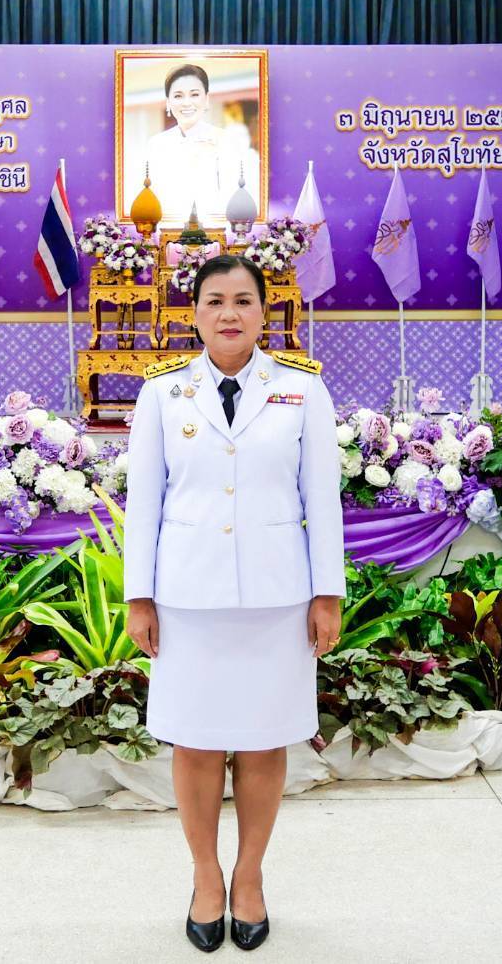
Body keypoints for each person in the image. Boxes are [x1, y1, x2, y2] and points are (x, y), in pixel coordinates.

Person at [123, 253, 344, 952]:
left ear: (263, 312)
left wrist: (328, 594)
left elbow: (322, 501)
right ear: (193, 313)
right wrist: (139, 597)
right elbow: (144, 504)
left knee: (263, 740)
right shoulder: (162, 393)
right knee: (195, 741)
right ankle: (205, 876)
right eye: (215, 300)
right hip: (188, 599)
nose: (229, 313)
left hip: (277, 599)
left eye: (243, 300)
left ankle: (249, 876)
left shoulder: (302, 390)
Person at [143, 63, 261, 223]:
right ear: (168, 102)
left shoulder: (226, 140)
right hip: (166, 229)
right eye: (178, 96)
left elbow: (234, 198)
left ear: (206, 99)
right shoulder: (156, 144)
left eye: (194, 94)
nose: (186, 103)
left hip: (216, 230)